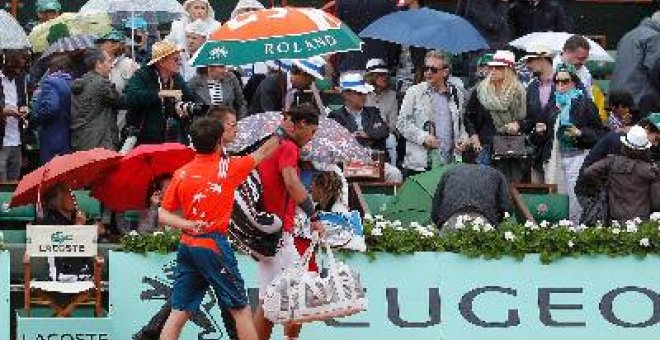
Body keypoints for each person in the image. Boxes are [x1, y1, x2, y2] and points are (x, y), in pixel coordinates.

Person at [158, 117, 279, 340]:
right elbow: (262, 153)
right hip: (212, 245)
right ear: (218, 142)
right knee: (241, 309)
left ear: (193, 143)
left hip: (187, 245)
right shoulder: (228, 167)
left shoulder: (182, 172)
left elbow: (163, 214)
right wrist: (282, 132)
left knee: (179, 312)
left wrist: (187, 224)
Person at [253, 104, 324, 340]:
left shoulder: (273, 142)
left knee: (285, 295)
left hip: (273, 230)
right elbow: (292, 182)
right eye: (312, 132)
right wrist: (313, 216)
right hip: (277, 232)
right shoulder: (289, 146)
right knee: (275, 298)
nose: (311, 139)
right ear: (301, 124)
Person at [538, 63, 605, 222]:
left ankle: (576, 231)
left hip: (577, 156)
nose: (560, 85)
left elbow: (600, 133)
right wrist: (540, 130)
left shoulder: (586, 103)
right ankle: (560, 232)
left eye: (565, 81)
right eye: (557, 81)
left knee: (575, 198)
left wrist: (580, 133)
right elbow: (543, 136)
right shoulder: (552, 105)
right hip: (556, 157)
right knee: (557, 196)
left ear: (573, 82)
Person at [397, 50, 468, 178]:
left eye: (433, 69)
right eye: (426, 68)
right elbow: (402, 123)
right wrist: (424, 137)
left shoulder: (457, 94)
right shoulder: (413, 92)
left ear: (445, 72)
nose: (428, 72)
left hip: (450, 163)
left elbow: (461, 125)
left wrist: (463, 138)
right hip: (421, 165)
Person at [464, 50, 527, 182]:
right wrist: (473, 135)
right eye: (491, 67)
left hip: (512, 150)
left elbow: (529, 119)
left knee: (509, 189)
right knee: (485, 187)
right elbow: (469, 116)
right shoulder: (480, 90)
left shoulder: (520, 92)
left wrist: (518, 124)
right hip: (486, 146)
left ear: (509, 70)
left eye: (498, 67)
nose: (492, 70)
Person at [329, 73, 403, 183]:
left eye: (365, 93)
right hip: (350, 164)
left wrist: (366, 134)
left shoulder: (373, 112)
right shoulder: (336, 116)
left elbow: (384, 131)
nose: (363, 97)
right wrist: (371, 135)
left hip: (375, 161)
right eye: (359, 93)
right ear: (346, 95)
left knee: (395, 174)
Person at [124, 40, 197, 145]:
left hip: (170, 136)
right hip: (144, 137)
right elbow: (130, 97)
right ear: (161, 62)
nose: (180, 63)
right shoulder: (143, 75)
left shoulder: (176, 78)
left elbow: (189, 97)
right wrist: (161, 94)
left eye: (180, 59)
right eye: (176, 59)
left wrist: (182, 106)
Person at [582, 126, 660, 222]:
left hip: (614, 218)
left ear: (624, 145)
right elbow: (657, 203)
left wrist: (603, 186)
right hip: (641, 221)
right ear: (644, 149)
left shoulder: (611, 162)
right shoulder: (650, 170)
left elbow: (588, 172)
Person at [431, 163, 512, 232]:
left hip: (450, 220)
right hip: (484, 221)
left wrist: (441, 224)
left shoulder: (448, 173)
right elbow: (506, 207)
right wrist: (496, 222)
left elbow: (435, 209)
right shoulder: (496, 174)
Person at [611, 2, 660, 115]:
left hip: (616, 100)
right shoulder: (655, 37)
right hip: (639, 102)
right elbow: (656, 70)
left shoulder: (628, 35)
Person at [70, 47, 122, 151]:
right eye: (108, 61)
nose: (111, 66)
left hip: (81, 141)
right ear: (99, 63)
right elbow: (121, 101)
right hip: (99, 142)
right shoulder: (101, 84)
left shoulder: (82, 81)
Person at [41, 183, 93, 282]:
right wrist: (79, 227)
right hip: (63, 275)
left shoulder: (76, 217)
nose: (73, 197)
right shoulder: (50, 221)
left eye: (73, 194)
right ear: (57, 200)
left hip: (85, 273)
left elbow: (100, 229)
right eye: (68, 194)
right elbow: (63, 246)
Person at [521, 44, 557, 183]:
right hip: (538, 152)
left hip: (558, 151)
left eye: (530, 60)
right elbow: (529, 119)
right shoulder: (531, 87)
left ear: (542, 58)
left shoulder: (565, 81)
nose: (527, 65)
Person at [96, 30, 139, 135]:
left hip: (124, 121)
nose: (99, 46)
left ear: (114, 45)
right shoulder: (100, 65)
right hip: (104, 121)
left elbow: (134, 94)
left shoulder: (129, 65)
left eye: (103, 43)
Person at [248, 57, 326, 115]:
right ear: (302, 73)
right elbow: (269, 115)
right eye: (311, 79)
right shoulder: (271, 84)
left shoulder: (297, 90)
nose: (311, 83)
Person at [32, 55, 73, 164]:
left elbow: (51, 108)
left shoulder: (50, 82)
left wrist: (35, 117)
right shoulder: (71, 82)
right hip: (67, 136)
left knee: (50, 173)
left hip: (52, 136)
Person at [0, 50, 29, 181]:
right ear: (8, 65)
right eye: (16, 68)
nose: (18, 72)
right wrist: (3, 112)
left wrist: (24, 109)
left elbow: (24, 104)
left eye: (21, 69)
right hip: (2, 143)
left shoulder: (20, 79)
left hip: (17, 140)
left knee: (14, 184)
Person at [365, 58, 399, 165]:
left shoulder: (392, 95)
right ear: (371, 77)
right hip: (364, 134)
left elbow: (393, 123)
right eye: (379, 75)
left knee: (391, 140)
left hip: (385, 133)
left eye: (385, 75)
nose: (384, 78)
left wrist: (381, 132)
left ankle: (393, 170)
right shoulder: (362, 93)